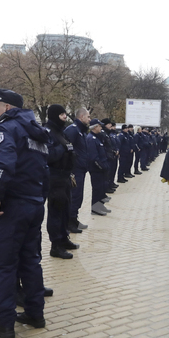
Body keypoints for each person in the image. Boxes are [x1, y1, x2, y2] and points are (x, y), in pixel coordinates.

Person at [0, 89, 50, 338]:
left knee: (4, 266)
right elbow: (45, 171)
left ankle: (5, 325)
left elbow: (2, 166)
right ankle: (35, 314)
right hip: (34, 205)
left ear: (6, 107)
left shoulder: (7, 128)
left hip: (11, 208)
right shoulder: (36, 131)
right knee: (31, 261)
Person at [44, 104, 79, 259]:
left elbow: (70, 149)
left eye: (65, 114)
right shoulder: (48, 132)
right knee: (56, 212)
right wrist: (63, 149)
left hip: (65, 176)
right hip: (54, 177)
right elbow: (48, 155)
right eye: (61, 114)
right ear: (54, 116)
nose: (65, 116)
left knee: (65, 209)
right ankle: (56, 245)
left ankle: (64, 238)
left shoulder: (61, 132)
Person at [65, 109, 91, 233]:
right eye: (88, 117)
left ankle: (74, 219)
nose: (89, 119)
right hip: (75, 169)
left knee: (78, 196)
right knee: (74, 196)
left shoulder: (81, 131)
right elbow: (66, 148)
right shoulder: (73, 130)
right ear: (81, 116)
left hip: (81, 169)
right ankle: (69, 222)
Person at [87, 119, 110, 216]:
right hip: (96, 169)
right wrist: (101, 167)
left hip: (101, 169)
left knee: (101, 189)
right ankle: (95, 209)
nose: (101, 128)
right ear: (95, 127)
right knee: (97, 189)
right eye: (100, 126)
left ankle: (100, 205)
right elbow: (94, 158)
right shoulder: (91, 139)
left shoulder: (97, 137)